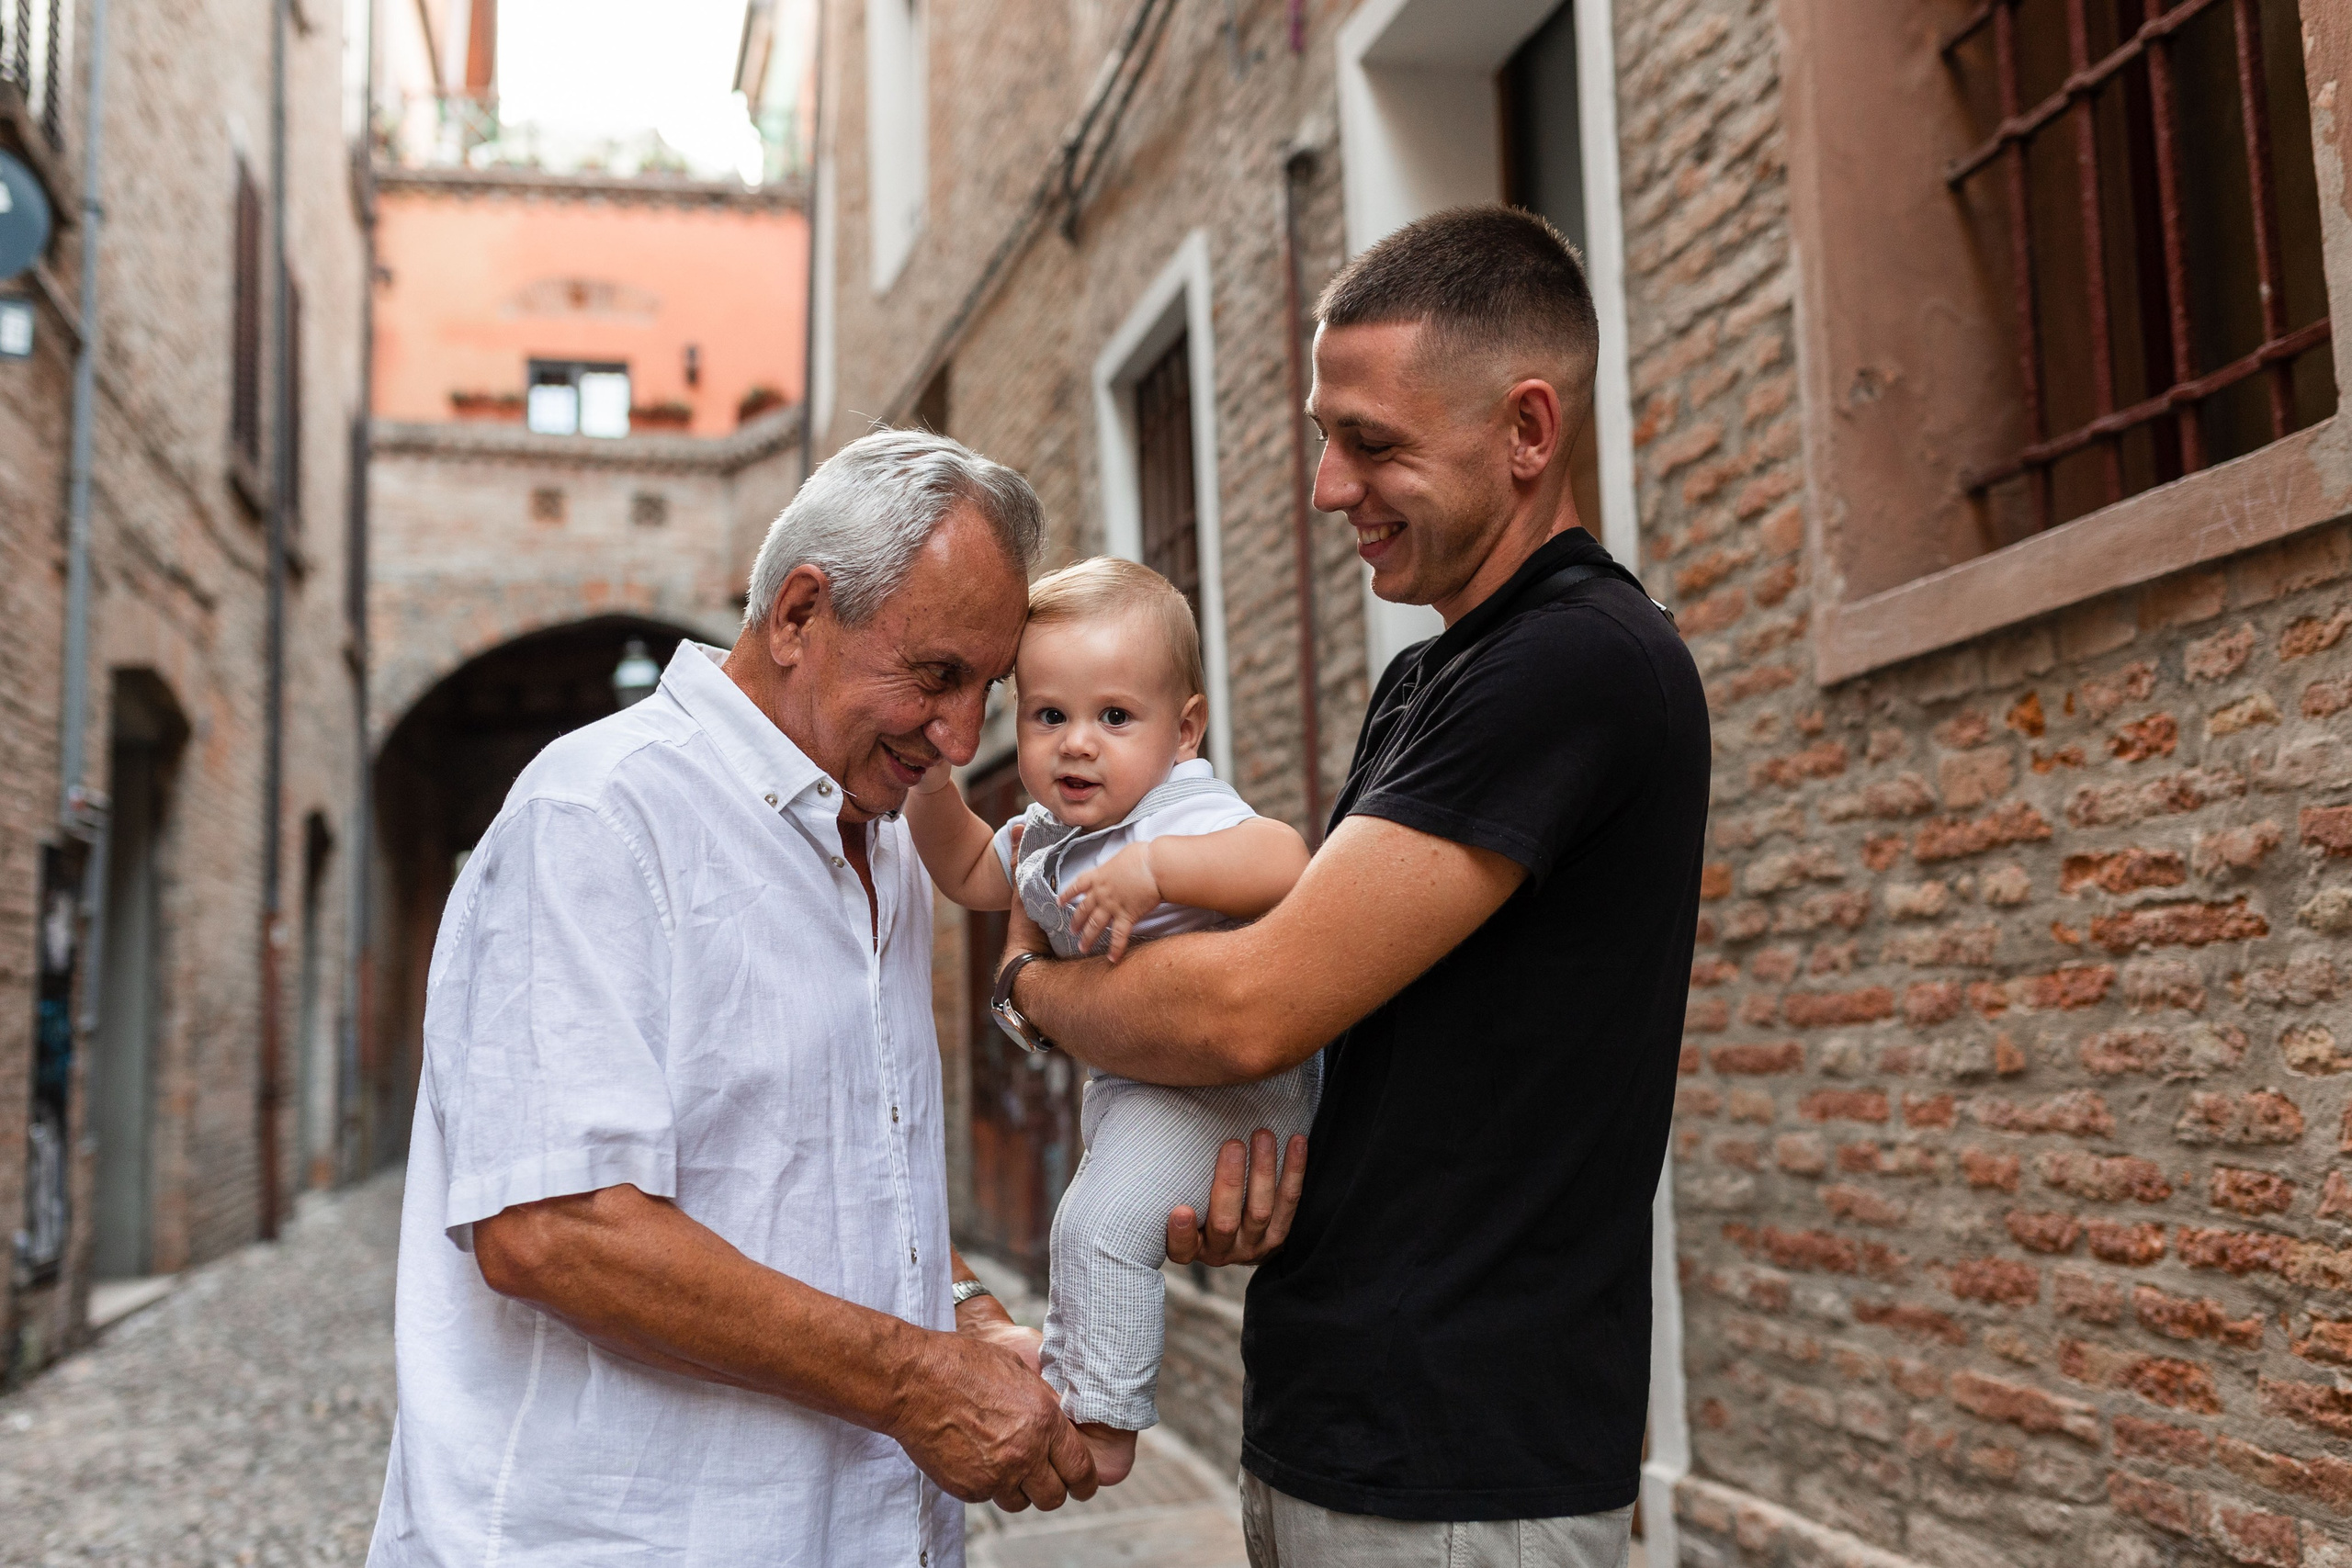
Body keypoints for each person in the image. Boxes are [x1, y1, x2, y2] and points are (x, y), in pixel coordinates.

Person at [995, 205, 1711, 1567]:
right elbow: (1366, 1035)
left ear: (1527, 430)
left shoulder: (1573, 662)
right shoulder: (1432, 675)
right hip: (1356, 1426)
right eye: (1329, 437)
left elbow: (1247, 1008)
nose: (1329, 487)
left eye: (1371, 442)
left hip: (1456, 1461)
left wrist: (1031, 986)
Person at [368, 429, 1106, 1567]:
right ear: (800, 614)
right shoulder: (598, 814)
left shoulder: (883, 835)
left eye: (988, 687)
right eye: (935, 675)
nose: (963, 737)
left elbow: (820, 1169)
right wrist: (916, 1383)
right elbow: (553, 1228)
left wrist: (960, 1309)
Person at [905, 557, 1317, 1489]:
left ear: (1185, 731)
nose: (1076, 745)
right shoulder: (1049, 832)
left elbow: (1283, 858)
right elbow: (973, 873)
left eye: (1114, 718)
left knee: (1098, 1228)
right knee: (1084, 1230)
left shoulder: (1181, 809)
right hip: (1147, 1084)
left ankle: (1104, 1420)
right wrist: (932, 790)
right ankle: (1076, 1374)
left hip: (1234, 1088)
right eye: (1050, 716)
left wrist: (1160, 872)